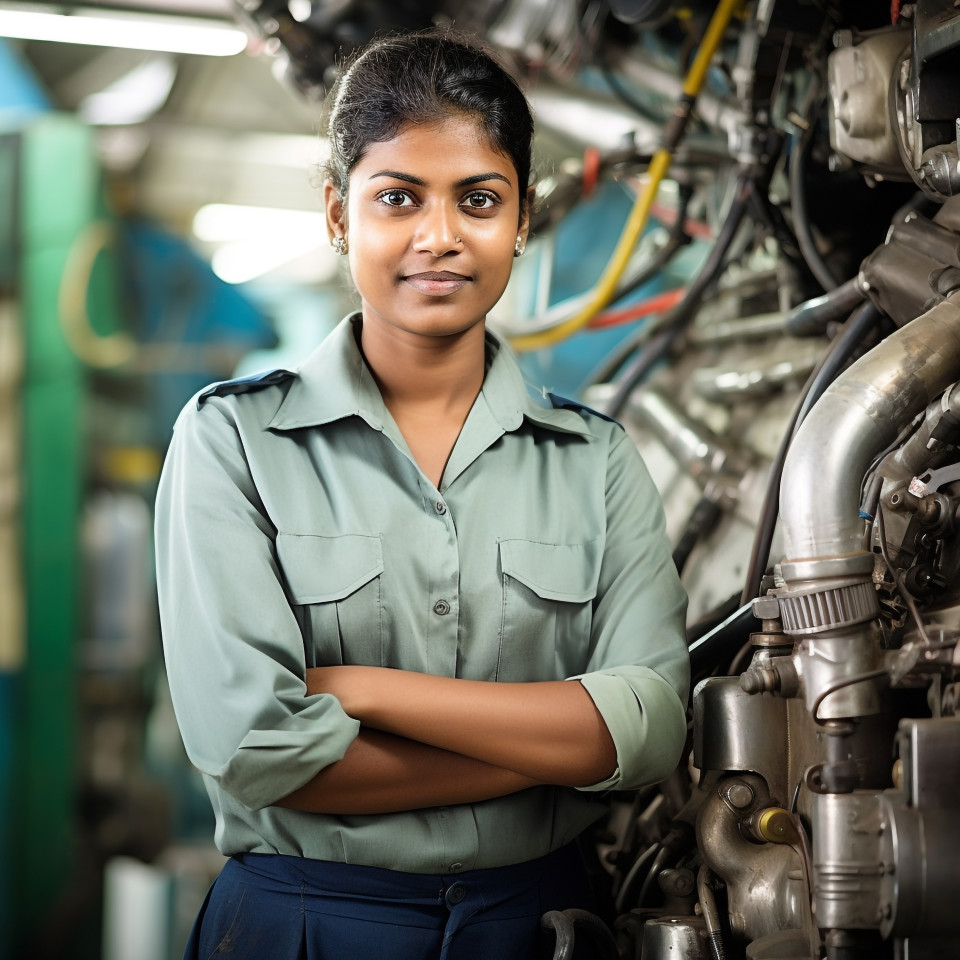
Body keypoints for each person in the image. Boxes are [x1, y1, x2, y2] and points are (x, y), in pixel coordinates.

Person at [155, 28, 689, 960]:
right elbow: (257, 749)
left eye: (479, 200)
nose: (439, 237)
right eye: (397, 197)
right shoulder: (233, 440)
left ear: (521, 220)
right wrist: (552, 755)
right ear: (336, 212)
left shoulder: (597, 459)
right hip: (307, 925)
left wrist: (366, 692)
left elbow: (649, 730)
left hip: (544, 927)